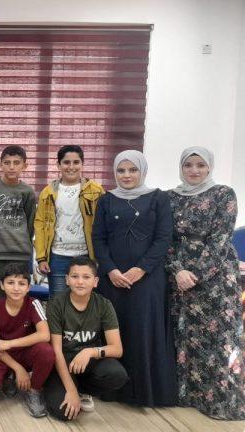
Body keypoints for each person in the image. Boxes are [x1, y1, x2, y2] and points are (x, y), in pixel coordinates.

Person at [92, 150, 177, 407]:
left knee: (142, 330)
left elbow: (163, 238)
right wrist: (110, 270)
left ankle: (143, 393)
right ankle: (113, 390)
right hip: (113, 280)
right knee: (114, 330)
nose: (126, 175)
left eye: (132, 170)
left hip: (148, 280)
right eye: (121, 170)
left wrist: (141, 269)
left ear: (142, 171)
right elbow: (98, 238)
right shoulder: (106, 200)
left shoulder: (158, 198)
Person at [166, 147, 245, 420]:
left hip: (215, 278)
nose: (194, 170)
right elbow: (164, 238)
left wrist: (196, 274)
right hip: (178, 276)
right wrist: (177, 270)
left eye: (200, 165)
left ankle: (219, 402)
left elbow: (221, 239)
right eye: (188, 165)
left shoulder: (223, 194)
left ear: (209, 167)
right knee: (183, 336)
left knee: (216, 339)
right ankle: (185, 396)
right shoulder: (170, 197)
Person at [43, 257, 128, 421]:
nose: (80, 282)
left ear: (95, 282)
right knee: (65, 413)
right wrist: (70, 390)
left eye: (86, 277)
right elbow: (56, 351)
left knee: (117, 374)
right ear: (67, 280)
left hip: (88, 363)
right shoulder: (56, 304)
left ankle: (83, 390)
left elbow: (117, 349)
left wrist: (89, 352)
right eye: (75, 276)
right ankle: (62, 387)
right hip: (62, 364)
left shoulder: (104, 304)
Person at [0, 262, 54, 418]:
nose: (16, 288)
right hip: (3, 354)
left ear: (28, 287)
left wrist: (10, 343)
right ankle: (10, 375)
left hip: (25, 352)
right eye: (10, 283)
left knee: (46, 351)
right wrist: (18, 369)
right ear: (2, 285)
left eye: (21, 283)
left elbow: (44, 335)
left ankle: (34, 390)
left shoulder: (34, 303)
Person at [34, 145, 105, 298]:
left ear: (82, 164)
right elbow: (40, 226)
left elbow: (103, 224)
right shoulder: (48, 192)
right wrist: (41, 258)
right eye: (66, 162)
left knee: (85, 301)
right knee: (58, 302)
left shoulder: (96, 190)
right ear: (58, 165)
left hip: (87, 255)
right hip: (58, 257)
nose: (71, 167)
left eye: (76, 162)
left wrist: (100, 256)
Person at [0, 145, 37, 303]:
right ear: (0, 165)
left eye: (16, 163)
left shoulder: (27, 191)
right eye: (7, 163)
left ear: (25, 165)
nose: (12, 167)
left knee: (17, 300)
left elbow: (30, 223)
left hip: (20, 254)